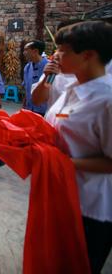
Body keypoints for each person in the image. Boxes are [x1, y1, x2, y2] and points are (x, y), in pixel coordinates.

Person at [45, 21, 112, 273]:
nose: (56, 56)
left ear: (88, 55)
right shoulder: (71, 88)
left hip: (90, 205)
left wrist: (59, 162)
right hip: (61, 193)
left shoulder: (107, 99)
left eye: (63, 51)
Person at [21, 40, 48, 115]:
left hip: (44, 110)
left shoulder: (49, 67)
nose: (24, 53)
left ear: (35, 51)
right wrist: (24, 104)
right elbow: (27, 88)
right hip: (29, 109)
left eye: (26, 50)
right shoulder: (27, 67)